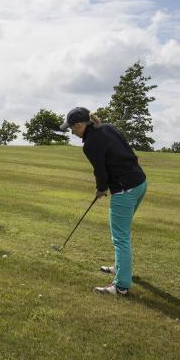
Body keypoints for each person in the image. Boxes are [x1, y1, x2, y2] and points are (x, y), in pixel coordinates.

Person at [60, 107, 147, 296]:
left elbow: (100, 171)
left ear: (80, 125)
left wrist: (101, 189)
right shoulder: (108, 127)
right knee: (124, 231)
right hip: (140, 182)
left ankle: (122, 286)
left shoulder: (90, 143)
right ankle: (120, 267)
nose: (71, 132)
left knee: (120, 237)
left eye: (72, 128)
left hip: (125, 189)